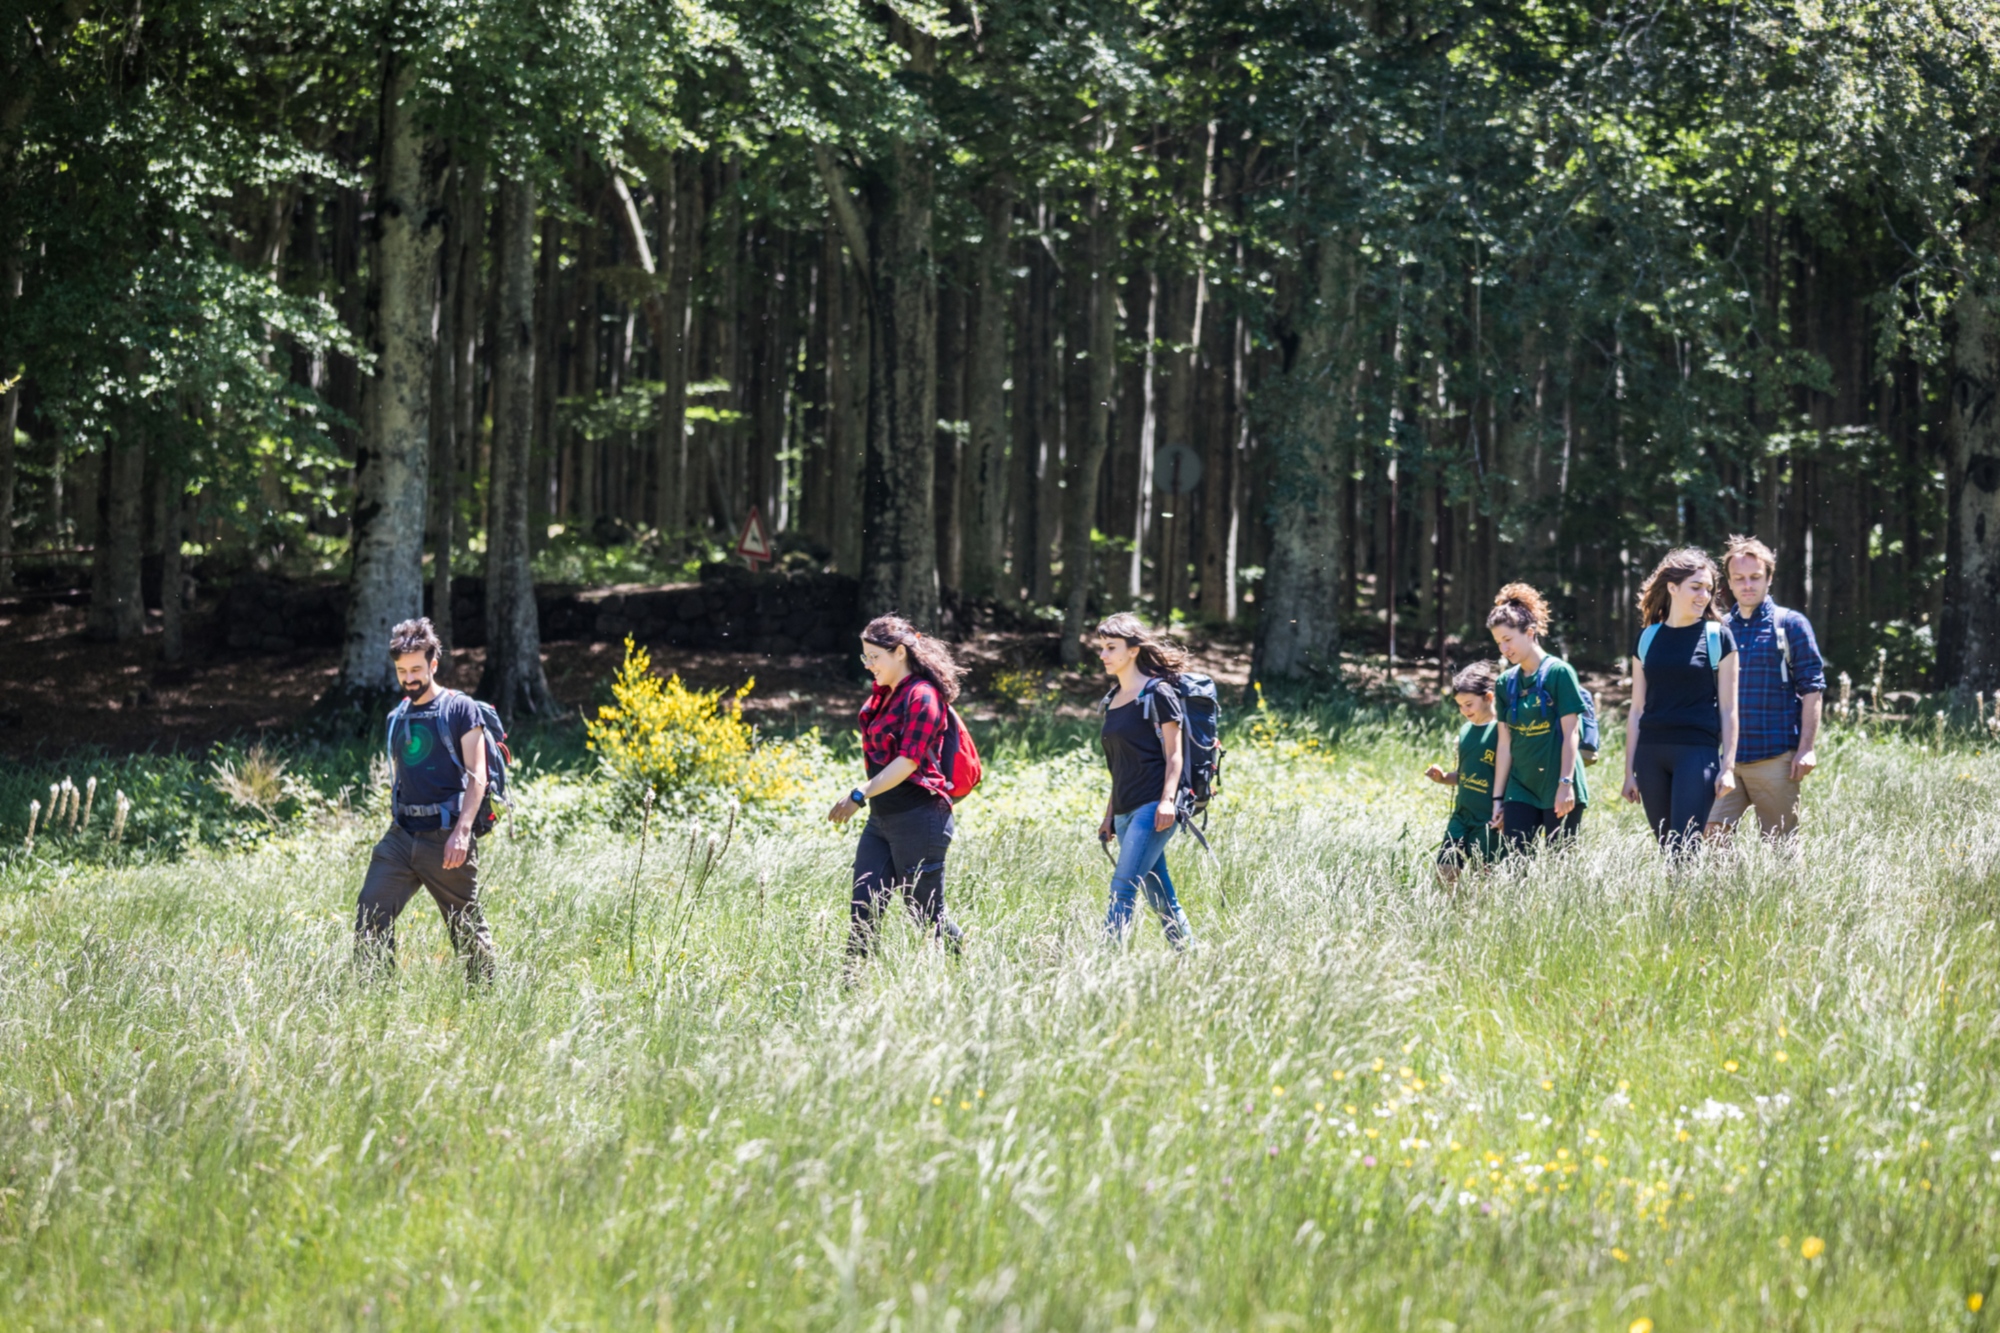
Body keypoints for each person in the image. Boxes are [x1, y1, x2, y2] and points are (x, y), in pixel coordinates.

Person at [355, 617, 497, 982]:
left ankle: (485, 999)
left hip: (446, 836)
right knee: (371, 909)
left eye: (417, 669)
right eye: (402, 671)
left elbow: (477, 774)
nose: (409, 678)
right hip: (401, 836)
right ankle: (375, 996)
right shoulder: (397, 716)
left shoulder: (460, 709)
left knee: (464, 925)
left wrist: (462, 831)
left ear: (433, 665)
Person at [827, 615, 967, 961]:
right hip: (882, 820)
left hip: (921, 819)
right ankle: (851, 987)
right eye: (865, 657)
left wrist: (858, 795)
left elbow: (908, 762)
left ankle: (963, 963)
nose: (869, 665)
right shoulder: (885, 695)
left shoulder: (923, 696)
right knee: (863, 907)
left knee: (926, 915)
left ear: (900, 652)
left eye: (875, 656)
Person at [1620, 548, 1739, 856]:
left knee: (1684, 846)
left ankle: (1685, 904)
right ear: (1672, 588)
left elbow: (1728, 709)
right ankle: (1675, 903)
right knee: (1666, 847)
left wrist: (1728, 766)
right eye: (1696, 587)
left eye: (1709, 589)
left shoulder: (1718, 637)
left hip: (1697, 752)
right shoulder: (1647, 638)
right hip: (1650, 754)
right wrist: (1628, 772)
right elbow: (1636, 710)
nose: (1704, 595)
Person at [1707, 534, 1826, 839]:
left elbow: (1812, 687)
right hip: (1727, 761)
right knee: (1711, 832)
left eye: (1755, 577)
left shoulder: (1790, 624)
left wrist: (1806, 749)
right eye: (1739, 578)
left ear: (1769, 578)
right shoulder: (1719, 630)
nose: (1747, 585)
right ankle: (1733, 889)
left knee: (1781, 846)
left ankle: (1780, 890)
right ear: (1728, 584)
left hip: (1776, 758)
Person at [1093, 613, 1195, 948]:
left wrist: (1167, 801)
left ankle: (1105, 965)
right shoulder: (1113, 699)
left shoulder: (1158, 693)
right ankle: (1190, 956)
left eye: (1112, 647)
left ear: (1133, 650)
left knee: (1122, 888)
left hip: (1152, 808)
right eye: (1102, 648)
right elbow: (1118, 767)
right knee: (1160, 894)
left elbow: (1175, 755)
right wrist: (1109, 815)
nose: (1104, 655)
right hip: (1123, 811)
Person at [1485, 583, 1590, 851]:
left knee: (1559, 868)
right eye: (1498, 642)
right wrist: (1499, 799)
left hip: (1559, 783)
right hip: (1521, 788)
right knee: (1514, 867)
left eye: (1508, 640)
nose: (1504, 649)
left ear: (1530, 633)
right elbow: (1505, 744)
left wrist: (1565, 784)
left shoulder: (1559, 673)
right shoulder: (1505, 683)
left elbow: (1571, 733)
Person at [1425, 660, 1502, 884]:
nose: (1464, 710)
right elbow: (1466, 775)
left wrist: (1506, 810)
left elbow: (1508, 776)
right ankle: (1450, 914)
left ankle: (1478, 917)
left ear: (1488, 697)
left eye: (1469, 704)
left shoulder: (1502, 731)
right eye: (1460, 705)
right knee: (1444, 872)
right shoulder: (1466, 730)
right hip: (1461, 817)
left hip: (1488, 820)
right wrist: (1442, 778)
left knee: (1485, 880)